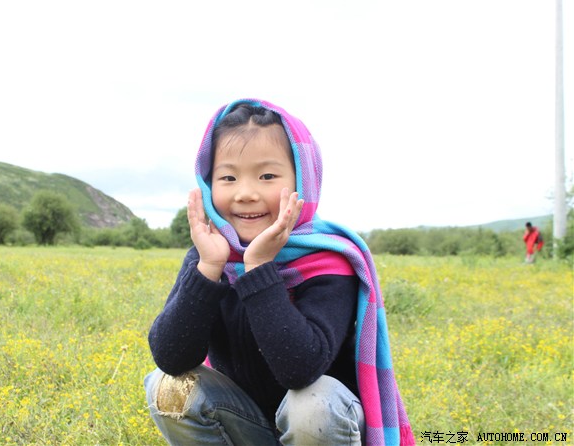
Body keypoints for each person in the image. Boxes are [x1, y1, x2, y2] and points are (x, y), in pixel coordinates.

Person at [145, 99, 414, 446]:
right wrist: (209, 268)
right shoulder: (211, 256)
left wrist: (258, 268)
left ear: (303, 180)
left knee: (313, 405)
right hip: (248, 424)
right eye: (228, 177)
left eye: (267, 176)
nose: (245, 193)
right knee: (167, 384)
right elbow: (171, 358)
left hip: (324, 426)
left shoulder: (328, 262)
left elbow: (300, 371)